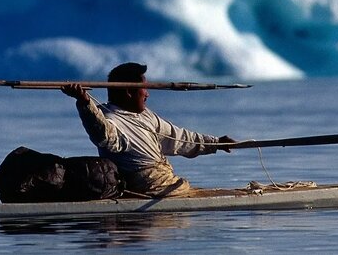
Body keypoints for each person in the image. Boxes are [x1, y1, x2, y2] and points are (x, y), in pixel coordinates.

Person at [60, 62, 235, 198]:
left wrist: (217, 143)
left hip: (167, 185)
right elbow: (103, 135)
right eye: (144, 88)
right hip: (149, 190)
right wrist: (84, 102)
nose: (148, 94)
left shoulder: (146, 116)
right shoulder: (111, 119)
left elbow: (179, 138)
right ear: (129, 92)